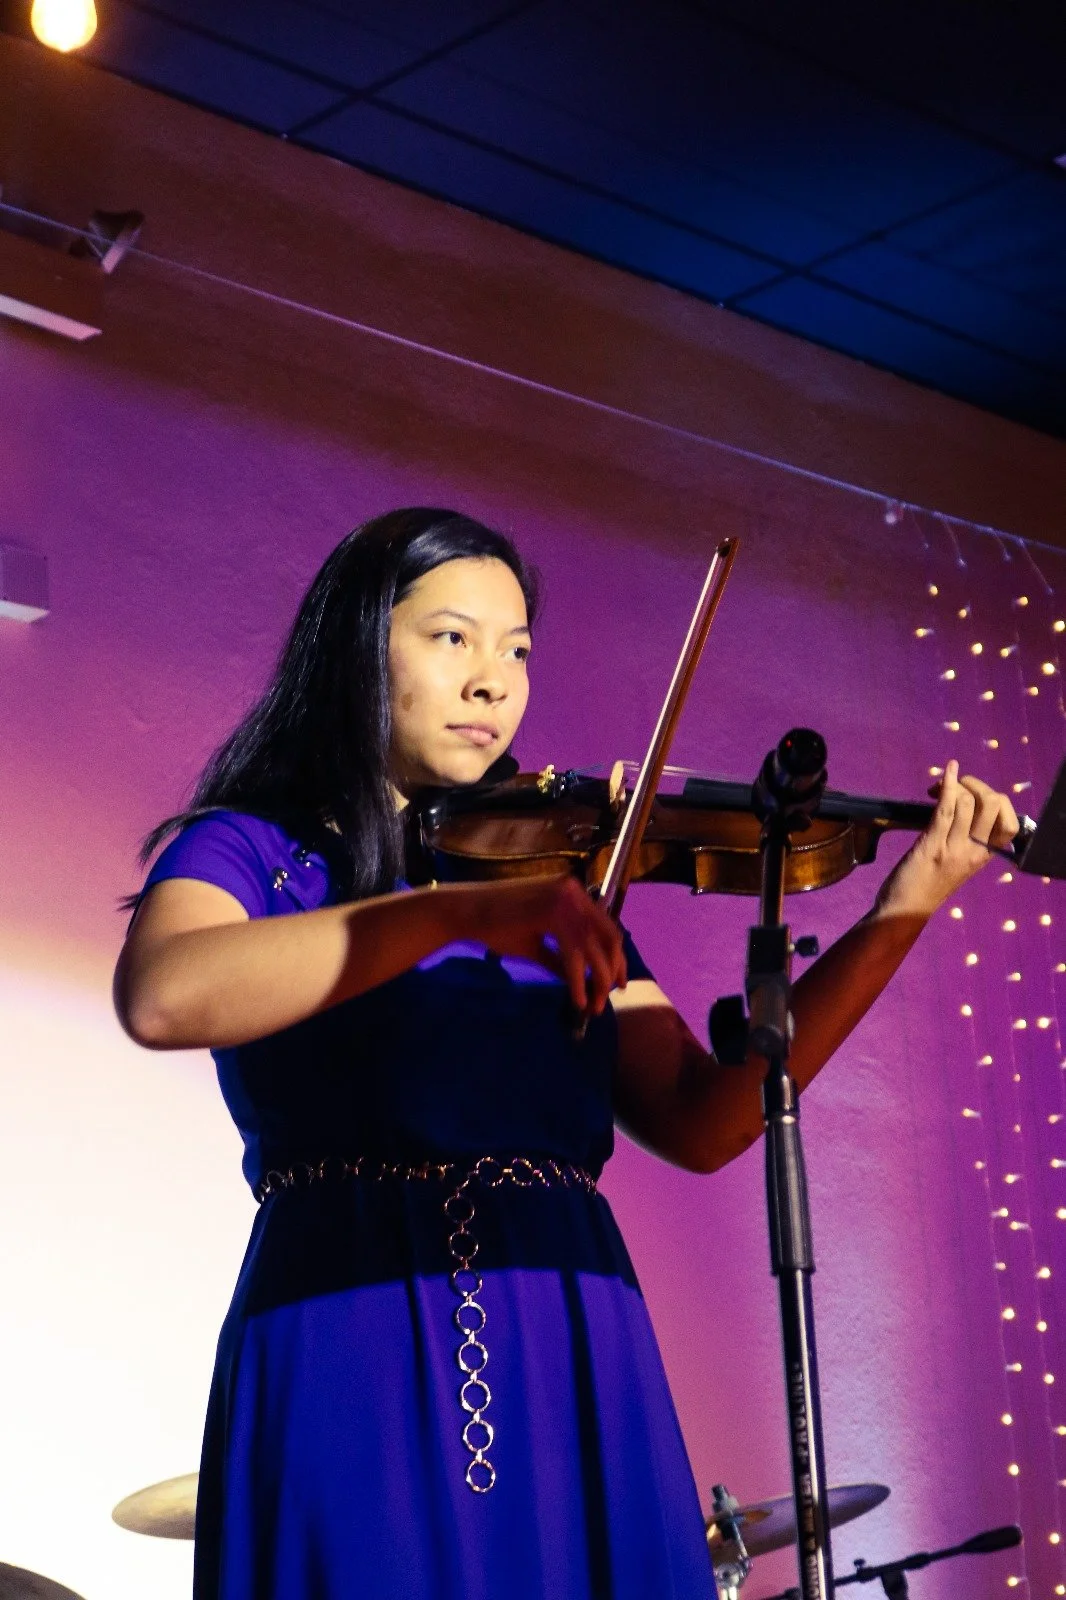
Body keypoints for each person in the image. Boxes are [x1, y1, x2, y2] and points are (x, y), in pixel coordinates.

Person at [113, 507, 1018, 1600]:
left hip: (572, 1337)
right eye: (452, 638)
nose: (494, 680)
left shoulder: (548, 891)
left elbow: (705, 1112)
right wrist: (456, 919)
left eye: (518, 650)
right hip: (348, 1329)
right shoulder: (254, 846)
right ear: (359, 645)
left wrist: (900, 911)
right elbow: (164, 994)